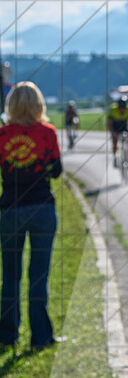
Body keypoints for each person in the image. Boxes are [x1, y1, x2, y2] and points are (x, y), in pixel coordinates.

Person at [0, 82, 63, 350]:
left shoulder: (2, 135)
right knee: (39, 275)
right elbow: (56, 170)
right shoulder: (47, 132)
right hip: (41, 207)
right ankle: (40, 337)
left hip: (10, 209)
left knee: (10, 276)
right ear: (39, 105)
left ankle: (7, 335)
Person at [106, 95, 128, 169]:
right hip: (115, 126)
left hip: (124, 125)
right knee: (115, 143)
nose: (122, 110)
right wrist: (113, 132)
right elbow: (109, 123)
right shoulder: (113, 109)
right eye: (120, 108)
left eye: (124, 108)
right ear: (118, 107)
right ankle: (115, 158)